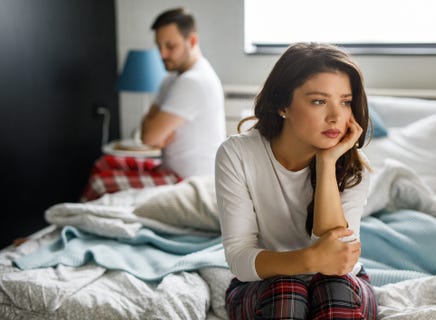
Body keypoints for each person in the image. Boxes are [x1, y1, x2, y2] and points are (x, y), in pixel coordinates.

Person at [215, 43, 377, 319]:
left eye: (345, 101)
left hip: (340, 283)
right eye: (319, 101)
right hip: (263, 285)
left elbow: (339, 262)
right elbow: (240, 258)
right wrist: (310, 259)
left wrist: (326, 164)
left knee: (333, 287)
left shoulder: (354, 168)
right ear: (282, 105)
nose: (336, 116)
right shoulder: (237, 154)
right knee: (286, 290)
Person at [141, 7, 225, 178]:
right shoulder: (171, 79)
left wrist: (155, 131)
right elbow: (147, 136)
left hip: (189, 182)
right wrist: (154, 132)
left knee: (101, 181)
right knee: (104, 165)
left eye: (170, 46)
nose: (162, 54)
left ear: (192, 40)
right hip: (169, 172)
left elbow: (149, 137)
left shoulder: (193, 81)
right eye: (159, 46)